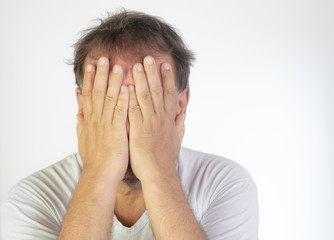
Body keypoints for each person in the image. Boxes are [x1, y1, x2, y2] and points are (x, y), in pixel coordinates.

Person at [1, 10, 258, 240]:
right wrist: (100, 170)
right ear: (83, 107)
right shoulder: (33, 199)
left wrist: (157, 169)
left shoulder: (224, 184)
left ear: (180, 106)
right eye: (111, 105)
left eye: (147, 104)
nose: (130, 126)